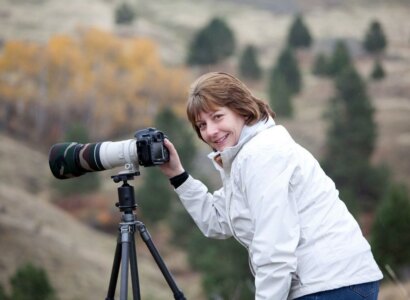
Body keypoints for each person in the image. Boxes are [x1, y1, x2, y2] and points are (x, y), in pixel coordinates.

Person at [159, 72, 383, 300]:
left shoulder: (262, 155)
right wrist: (178, 175)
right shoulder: (245, 156)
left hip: (330, 286)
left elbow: (275, 248)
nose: (210, 131)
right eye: (202, 125)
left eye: (217, 117)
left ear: (241, 110)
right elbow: (218, 221)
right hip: (334, 283)